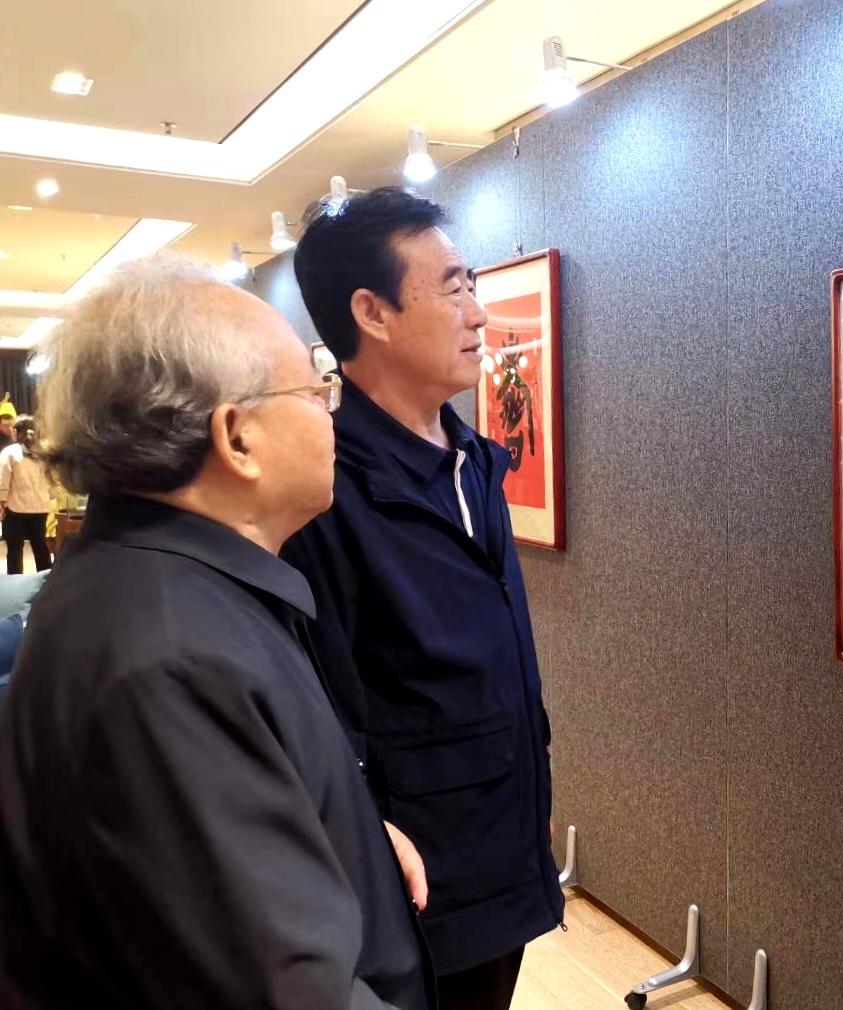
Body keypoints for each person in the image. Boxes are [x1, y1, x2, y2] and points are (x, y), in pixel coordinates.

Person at [0, 254, 434, 1010]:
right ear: (237, 438)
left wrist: (346, 832)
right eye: (315, 391)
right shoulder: (172, 656)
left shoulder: (165, 589)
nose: (330, 413)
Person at [284, 187, 562, 1010]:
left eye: (473, 284)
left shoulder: (474, 459)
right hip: (417, 884)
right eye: (452, 288)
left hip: (504, 846)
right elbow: (321, 701)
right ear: (371, 313)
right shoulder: (326, 488)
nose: (480, 313)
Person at [0, 417, 54, 573]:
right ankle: (45, 580)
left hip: (16, 509)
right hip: (40, 508)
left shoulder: (10, 452)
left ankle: (15, 582)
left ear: (15, 432)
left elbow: (2, 481)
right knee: (40, 547)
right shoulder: (44, 453)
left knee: (15, 550)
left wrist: (1, 502)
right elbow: (53, 481)